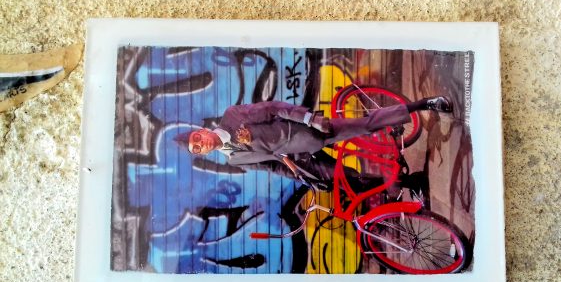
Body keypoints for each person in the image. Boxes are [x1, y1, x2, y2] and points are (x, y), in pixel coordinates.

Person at [176, 96, 452, 190]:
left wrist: (310, 119)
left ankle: (424, 104)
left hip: (309, 133)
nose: (202, 144)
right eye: (197, 148)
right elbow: (272, 166)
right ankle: (409, 182)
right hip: (299, 159)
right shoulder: (234, 159)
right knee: (344, 181)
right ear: (202, 154)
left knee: (366, 125)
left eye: (197, 138)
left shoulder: (232, 117)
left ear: (202, 130)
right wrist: (299, 176)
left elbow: (274, 108)